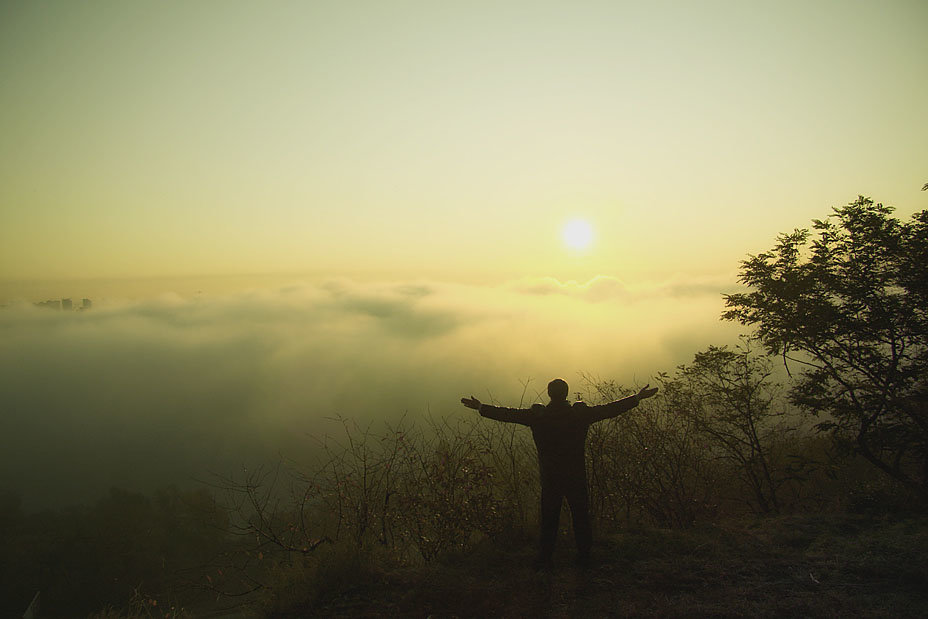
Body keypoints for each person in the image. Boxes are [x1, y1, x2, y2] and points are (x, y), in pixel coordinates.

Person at [461, 378, 658, 568]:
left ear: (549, 394)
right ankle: (584, 558)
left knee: (549, 520)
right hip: (576, 475)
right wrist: (636, 398)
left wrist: (481, 407)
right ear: (566, 394)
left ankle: (545, 559)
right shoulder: (580, 415)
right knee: (580, 517)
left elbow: (507, 415)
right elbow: (609, 410)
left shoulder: (538, 417)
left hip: (551, 477)